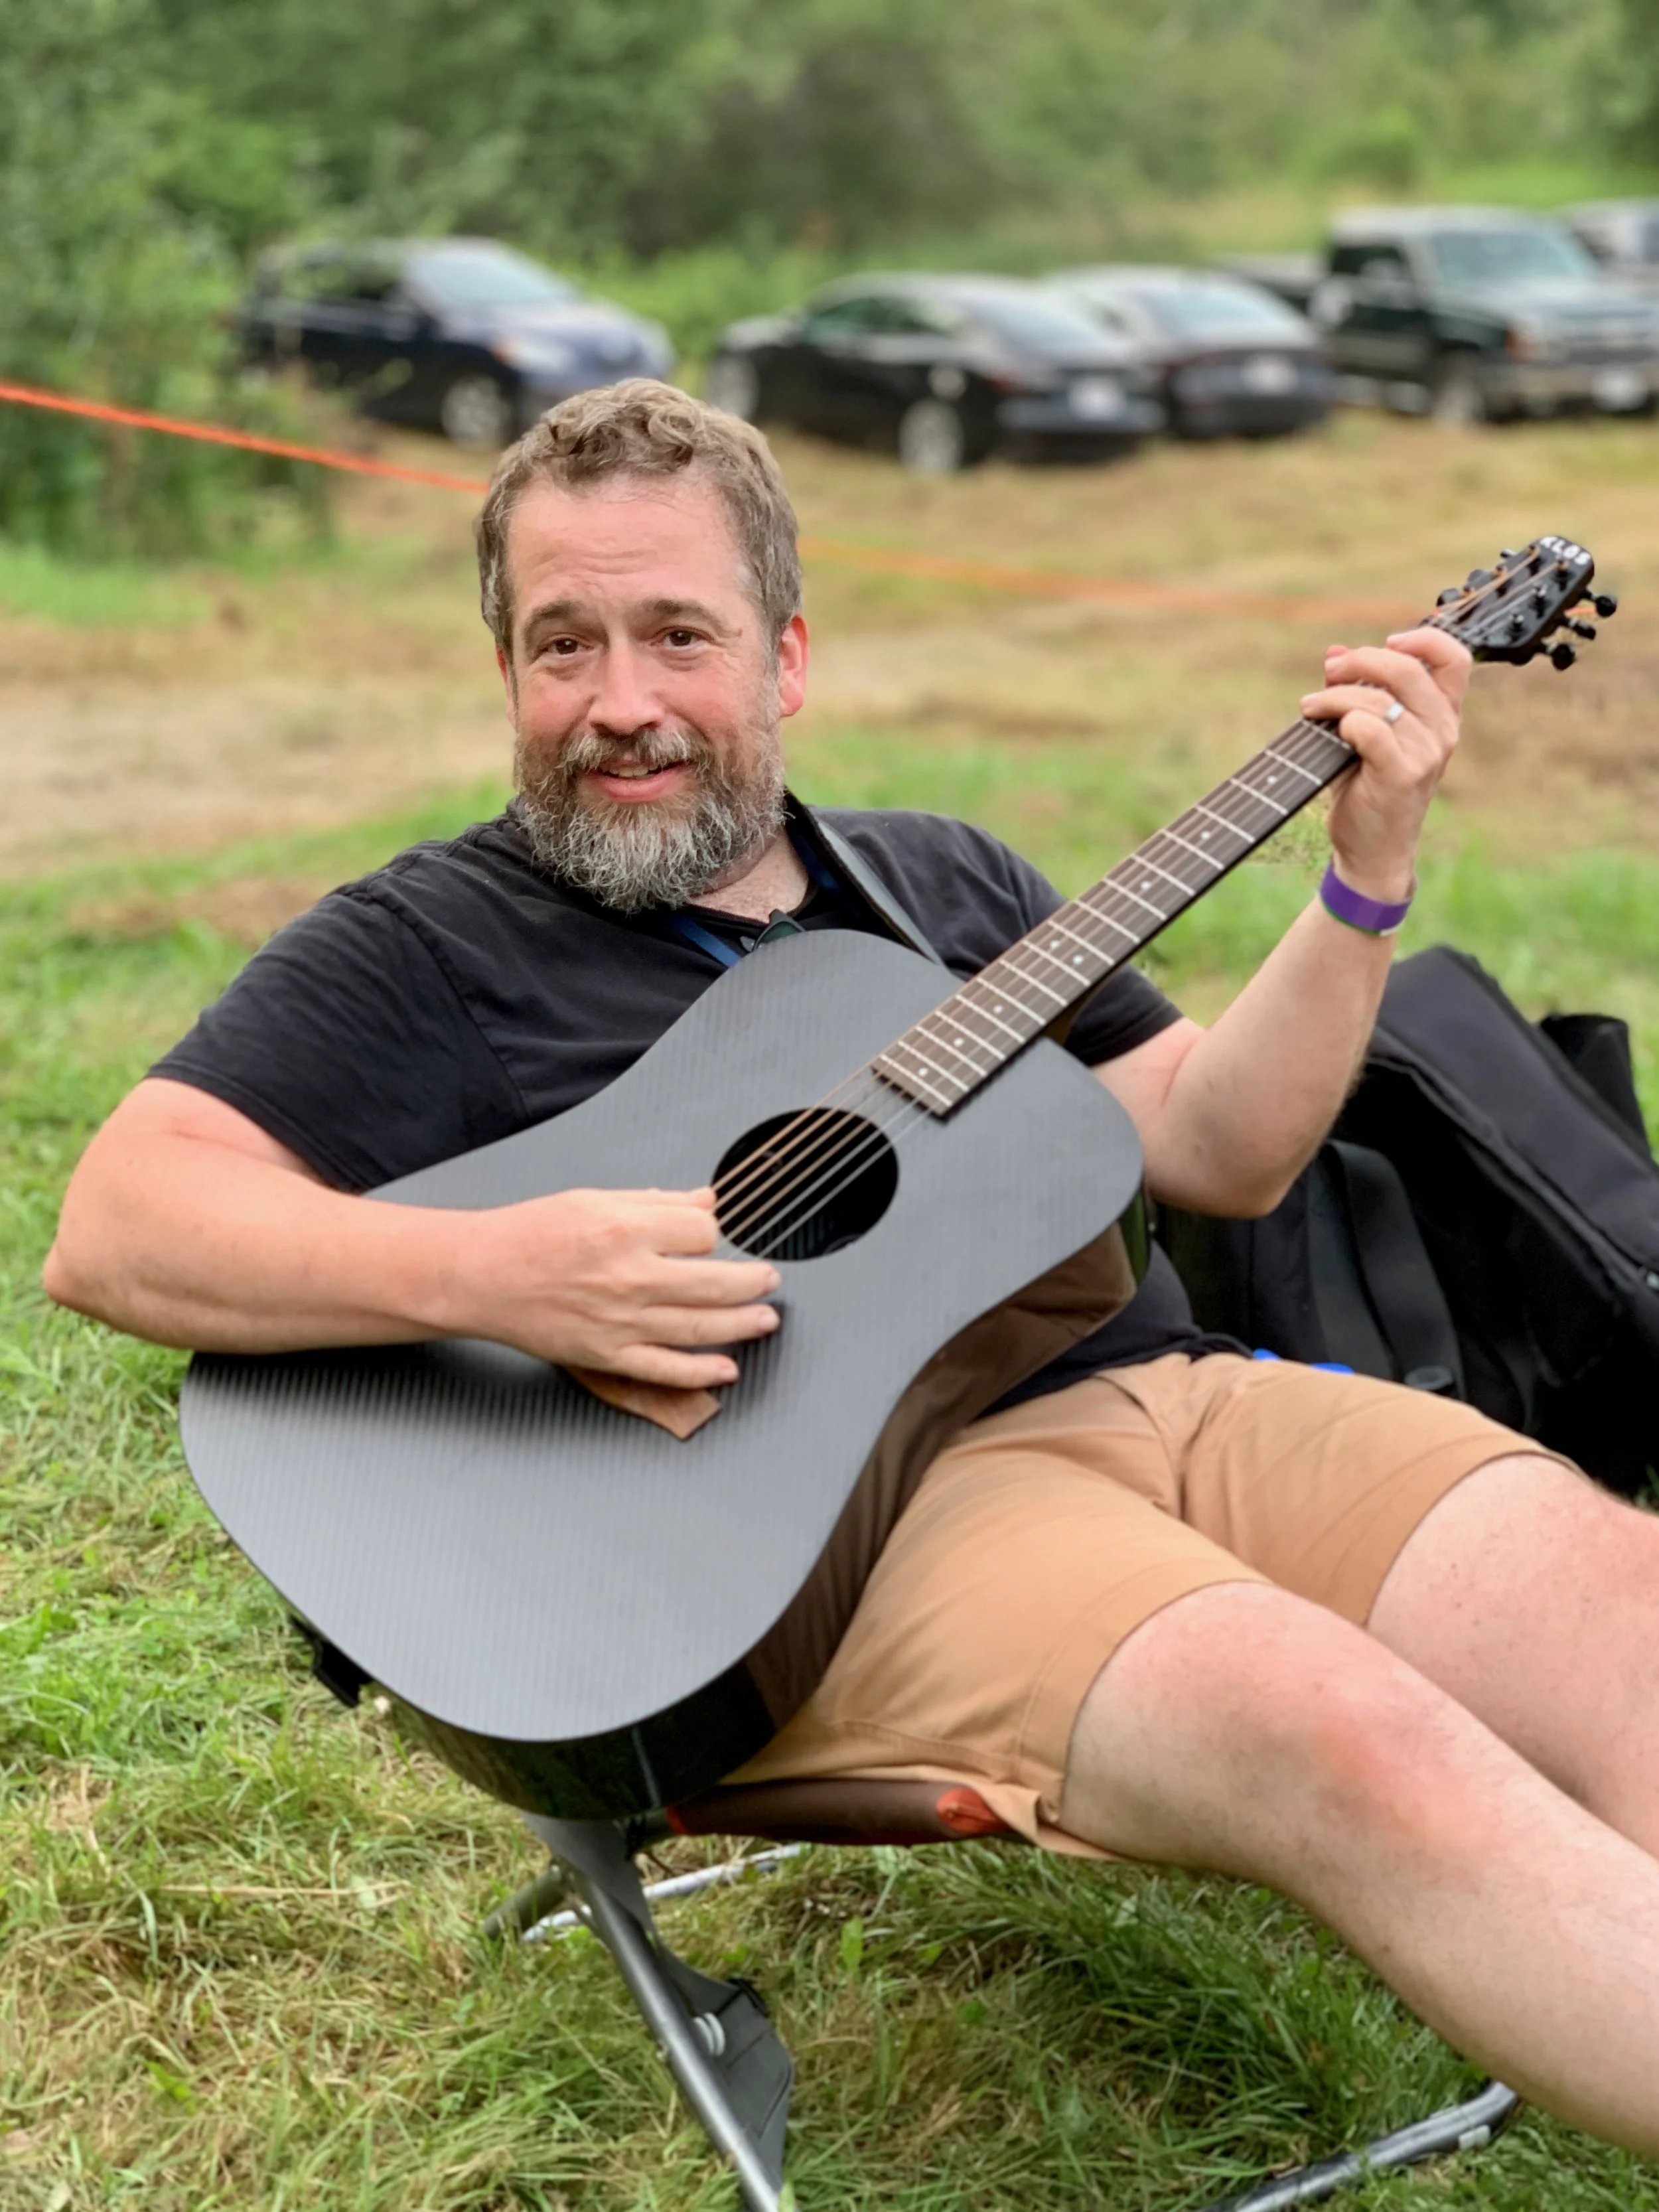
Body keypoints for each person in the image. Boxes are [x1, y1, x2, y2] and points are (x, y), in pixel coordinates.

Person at [44, 381, 1659, 2154]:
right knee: (1346, 1729)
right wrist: (499, 1272)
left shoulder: (933, 883)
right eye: (561, 644)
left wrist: (1360, 883)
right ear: (506, 668)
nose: (621, 702)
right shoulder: (426, 946)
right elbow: (120, 1219)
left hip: (1166, 1402)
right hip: (839, 1537)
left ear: (787, 655)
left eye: (678, 633)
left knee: (1619, 1591)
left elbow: (1215, 1144)